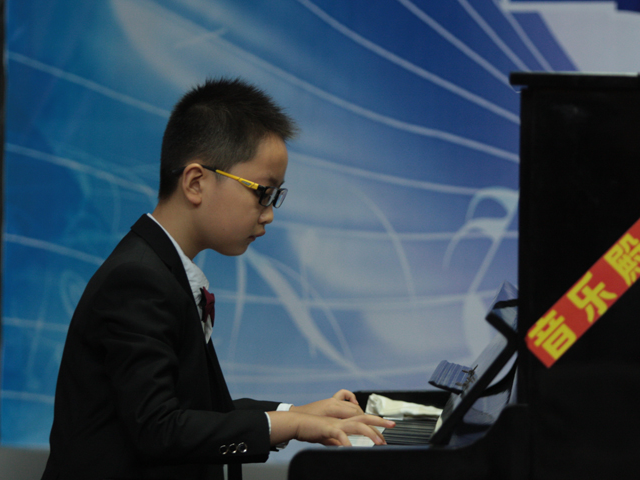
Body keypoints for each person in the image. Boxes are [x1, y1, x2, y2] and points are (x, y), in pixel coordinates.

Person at [41, 78, 393, 480]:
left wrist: (297, 413)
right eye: (263, 193)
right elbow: (159, 428)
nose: (269, 213)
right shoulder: (137, 280)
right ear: (196, 183)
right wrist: (293, 425)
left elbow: (197, 411)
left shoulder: (160, 269)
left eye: (275, 197)